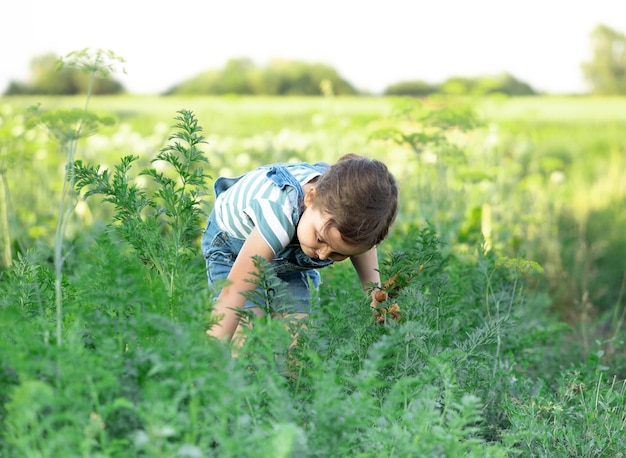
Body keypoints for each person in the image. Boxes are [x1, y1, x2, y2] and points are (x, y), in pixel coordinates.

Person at [202, 153, 398, 346]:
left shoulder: (343, 216)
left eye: (339, 254)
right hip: (232, 249)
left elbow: (364, 245)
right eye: (320, 239)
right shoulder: (279, 214)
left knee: (298, 339)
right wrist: (211, 358)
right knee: (248, 337)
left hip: (287, 257)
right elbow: (234, 292)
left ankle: (289, 377)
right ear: (310, 198)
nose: (322, 255)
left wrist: (376, 298)